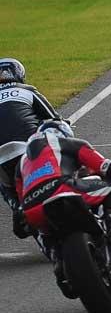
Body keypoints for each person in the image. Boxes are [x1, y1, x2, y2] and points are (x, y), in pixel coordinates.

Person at [15, 120, 111, 297]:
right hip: (63, 188)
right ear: (63, 132)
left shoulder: (21, 163)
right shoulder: (68, 143)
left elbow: (20, 197)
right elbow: (105, 166)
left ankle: (58, 260)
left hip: (31, 207)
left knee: (42, 228)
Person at [0, 58, 61, 239]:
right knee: (60, 157)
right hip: (29, 150)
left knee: (5, 186)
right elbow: (54, 119)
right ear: (19, 74)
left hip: (2, 158)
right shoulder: (27, 91)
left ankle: (17, 207)